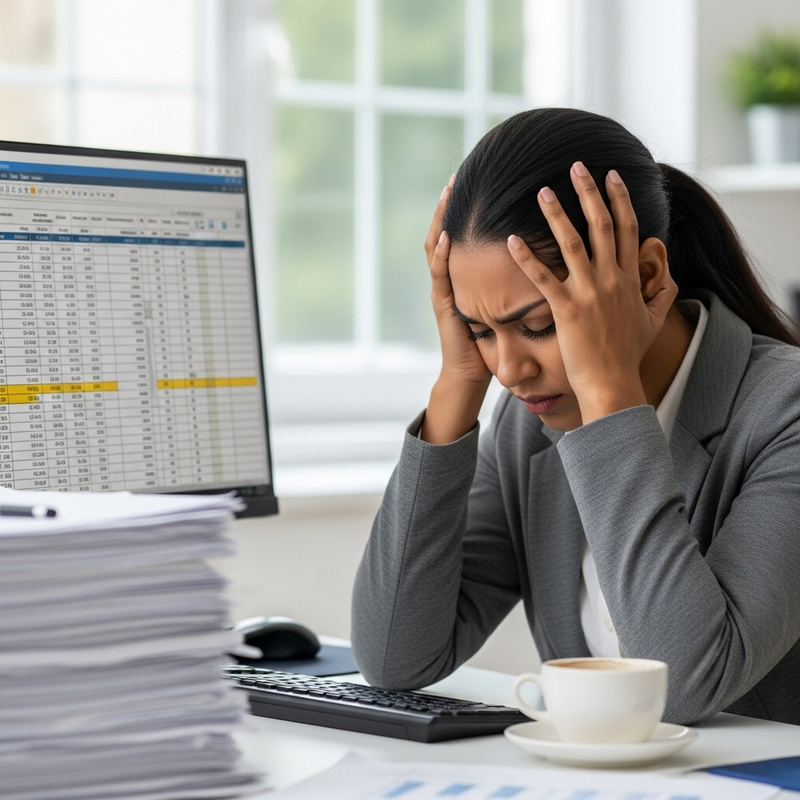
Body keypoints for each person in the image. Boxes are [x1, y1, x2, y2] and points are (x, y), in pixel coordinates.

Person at [350, 107, 800, 726]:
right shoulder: (526, 424)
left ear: (645, 278)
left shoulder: (784, 413)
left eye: (537, 326)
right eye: (480, 330)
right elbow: (393, 657)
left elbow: (684, 686)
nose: (508, 369)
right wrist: (457, 383)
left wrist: (610, 396)